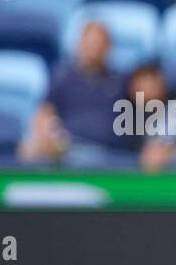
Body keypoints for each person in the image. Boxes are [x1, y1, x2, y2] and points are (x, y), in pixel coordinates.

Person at [21, 21, 127, 164]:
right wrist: (48, 135)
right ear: (80, 45)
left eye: (99, 43)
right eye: (90, 43)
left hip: (112, 154)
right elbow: (45, 113)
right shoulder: (64, 79)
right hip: (71, 151)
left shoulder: (120, 81)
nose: (95, 49)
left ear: (108, 47)